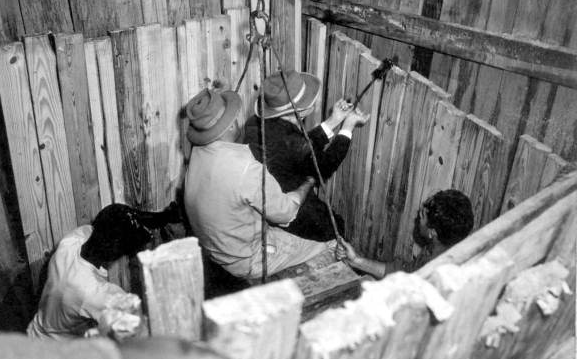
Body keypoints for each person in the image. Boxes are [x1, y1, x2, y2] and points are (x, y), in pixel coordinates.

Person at [183, 88, 331, 280]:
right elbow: (286, 212)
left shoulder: (197, 154)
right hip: (245, 260)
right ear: (229, 126)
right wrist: (308, 182)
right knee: (332, 247)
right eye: (234, 117)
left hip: (215, 246)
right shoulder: (246, 168)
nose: (237, 120)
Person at [244, 70, 369, 241]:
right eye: (309, 99)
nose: (314, 98)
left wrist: (333, 121)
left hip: (265, 196)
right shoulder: (291, 141)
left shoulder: (255, 123)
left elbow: (298, 148)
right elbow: (322, 167)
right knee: (335, 228)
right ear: (301, 111)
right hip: (286, 202)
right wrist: (347, 127)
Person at [27, 202, 178, 340]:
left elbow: (112, 223)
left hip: (34, 334)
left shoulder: (72, 242)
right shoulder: (95, 293)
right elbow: (144, 322)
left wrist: (162, 217)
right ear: (114, 253)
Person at [336, 189, 474, 278]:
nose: (417, 218)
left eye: (422, 216)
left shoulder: (434, 273)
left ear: (433, 232)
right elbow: (403, 272)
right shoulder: (441, 247)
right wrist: (356, 261)